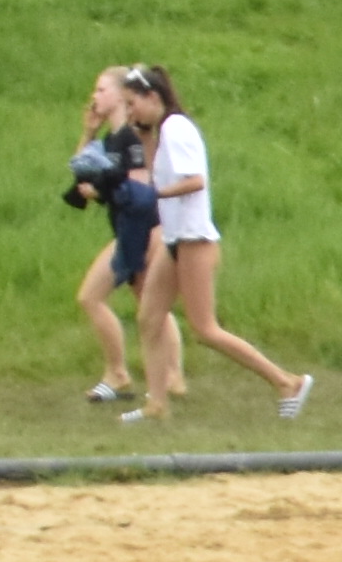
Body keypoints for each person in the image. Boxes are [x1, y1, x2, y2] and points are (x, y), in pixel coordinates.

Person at [116, 65, 314, 423]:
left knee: (205, 329)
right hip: (175, 239)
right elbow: (156, 172)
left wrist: (156, 195)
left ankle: (288, 382)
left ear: (153, 97)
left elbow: (195, 181)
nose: (130, 112)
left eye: (133, 103)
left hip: (194, 240)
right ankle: (156, 404)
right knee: (149, 317)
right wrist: (142, 138)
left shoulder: (177, 128)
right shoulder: (162, 132)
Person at [65, 65, 174, 404]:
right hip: (127, 231)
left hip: (142, 232)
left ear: (119, 95)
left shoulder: (131, 139)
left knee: (92, 297)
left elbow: (140, 193)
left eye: (101, 90)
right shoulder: (111, 139)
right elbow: (81, 170)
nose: (94, 96)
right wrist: (88, 132)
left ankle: (123, 374)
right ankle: (168, 377)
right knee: (149, 305)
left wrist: (103, 192)